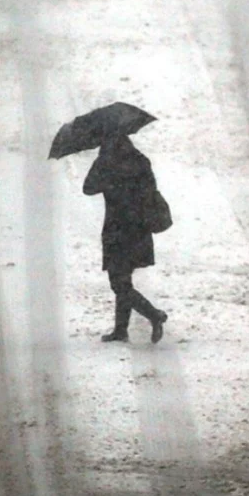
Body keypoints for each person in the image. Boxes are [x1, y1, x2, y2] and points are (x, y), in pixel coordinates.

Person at [82, 134, 168, 343]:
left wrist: (102, 168)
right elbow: (151, 190)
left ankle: (154, 315)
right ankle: (121, 330)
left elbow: (88, 188)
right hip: (138, 229)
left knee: (119, 283)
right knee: (124, 279)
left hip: (116, 229)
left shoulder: (106, 164)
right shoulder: (140, 160)